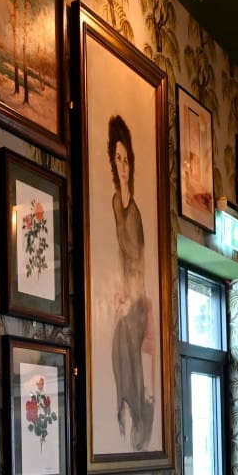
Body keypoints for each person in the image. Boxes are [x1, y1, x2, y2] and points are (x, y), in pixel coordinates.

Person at [106, 115, 154, 450]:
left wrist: (130, 298)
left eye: (126, 160)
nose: (122, 167)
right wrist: (118, 294)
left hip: (139, 297)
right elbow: (120, 258)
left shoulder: (134, 212)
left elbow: (138, 264)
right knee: (116, 341)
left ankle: (134, 408)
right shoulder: (114, 202)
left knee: (124, 332)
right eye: (118, 159)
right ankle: (125, 404)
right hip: (126, 291)